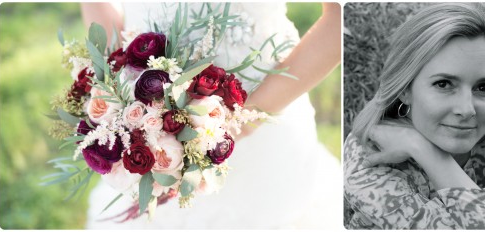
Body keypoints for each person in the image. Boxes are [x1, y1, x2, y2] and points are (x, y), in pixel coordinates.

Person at [80, 2, 342, 229]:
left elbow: (339, 17)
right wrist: (117, 86)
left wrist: (243, 122)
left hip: (262, 133)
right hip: (145, 125)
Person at [344, 3, 485, 229]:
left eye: (483, 87)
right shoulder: (368, 162)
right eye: (444, 84)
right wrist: (431, 156)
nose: (467, 109)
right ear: (404, 89)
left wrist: (422, 148)